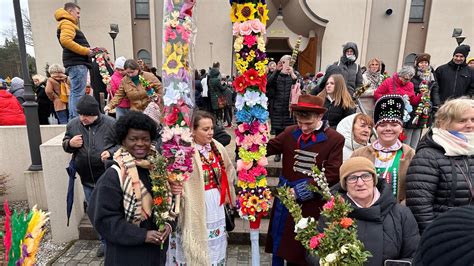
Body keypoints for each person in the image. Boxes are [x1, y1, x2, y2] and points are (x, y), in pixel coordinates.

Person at [265, 94, 344, 265]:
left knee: (300, 248)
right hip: (285, 200)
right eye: (300, 123)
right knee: (279, 240)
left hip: (311, 203)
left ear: (320, 117)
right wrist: (254, 139)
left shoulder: (335, 139)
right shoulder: (289, 132)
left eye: (308, 124)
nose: (303, 128)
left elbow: (332, 173)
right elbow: (267, 149)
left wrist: (302, 191)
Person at [87, 111, 171, 265]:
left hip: (155, 254)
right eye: (133, 139)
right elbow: (103, 219)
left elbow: (167, 203)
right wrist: (142, 235)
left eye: (145, 139)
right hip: (126, 255)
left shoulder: (156, 168)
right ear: (123, 141)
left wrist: (168, 225)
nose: (140, 143)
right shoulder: (114, 176)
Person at [308, 157, 419, 265]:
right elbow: (314, 252)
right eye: (352, 178)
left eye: (365, 176)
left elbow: (415, 256)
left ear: (374, 180)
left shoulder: (401, 214)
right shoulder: (332, 214)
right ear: (345, 184)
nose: (360, 183)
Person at [167, 110, 236, 265]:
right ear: (193, 130)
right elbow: (172, 175)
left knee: (214, 244)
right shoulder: (184, 151)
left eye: (212, 128)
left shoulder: (217, 147)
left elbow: (228, 171)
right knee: (194, 241)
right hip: (194, 201)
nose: (210, 133)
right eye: (205, 129)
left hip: (215, 203)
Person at [406, 98, 474, 235]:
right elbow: (420, 206)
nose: (470, 125)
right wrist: (435, 237)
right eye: (462, 120)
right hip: (445, 234)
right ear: (443, 123)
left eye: (473, 120)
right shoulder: (428, 156)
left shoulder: (470, 148)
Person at [352, 95, 415, 203]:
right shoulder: (359, 154)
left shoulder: (409, 154)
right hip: (366, 211)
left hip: (397, 212)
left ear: (401, 129)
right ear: (376, 128)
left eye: (394, 125)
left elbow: (415, 188)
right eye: (383, 125)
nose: (388, 129)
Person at [55, 2, 94, 119]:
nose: (79, 15)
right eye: (77, 13)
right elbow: (66, 40)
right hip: (77, 63)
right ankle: (77, 119)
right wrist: (86, 51)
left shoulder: (65, 23)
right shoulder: (67, 23)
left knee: (75, 92)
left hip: (74, 62)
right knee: (78, 92)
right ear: (70, 11)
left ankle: (74, 118)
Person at [404, 53, 438, 148]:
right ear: (417, 64)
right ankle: (406, 152)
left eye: (426, 62)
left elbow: (435, 91)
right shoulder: (412, 75)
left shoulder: (432, 76)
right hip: (413, 107)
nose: (424, 64)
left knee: (418, 131)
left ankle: (413, 152)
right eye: (421, 62)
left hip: (425, 107)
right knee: (409, 130)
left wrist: (436, 105)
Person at [267, 55, 297, 161]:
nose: (285, 64)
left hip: (289, 110)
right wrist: (276, 71)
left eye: (287, 62)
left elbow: (298, 87)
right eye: (283, 62)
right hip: (278, 107)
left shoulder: (294, 75)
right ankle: (278, 153)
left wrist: (292, 73)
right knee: (278, 133)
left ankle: (288, 153)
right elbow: (269, 84)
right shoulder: (276, 75)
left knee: (289, 132)